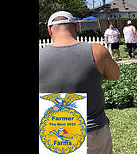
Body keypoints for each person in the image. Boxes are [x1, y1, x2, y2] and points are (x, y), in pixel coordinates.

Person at [39, 11, 120, 154]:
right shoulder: (97, 51)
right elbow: (114, 75)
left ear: (49, 31)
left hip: (54, 134)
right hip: (93, 132)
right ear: (76, 28)